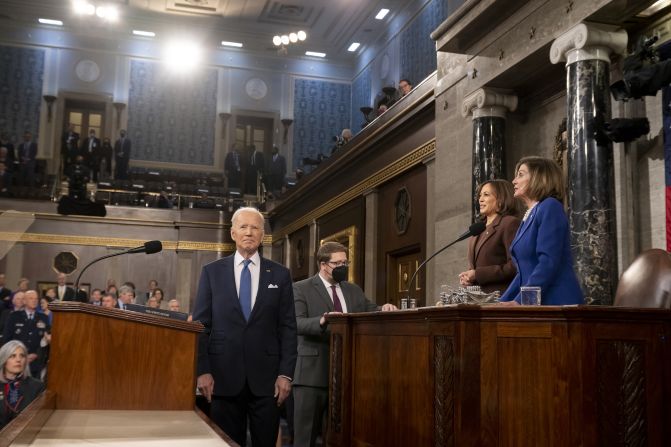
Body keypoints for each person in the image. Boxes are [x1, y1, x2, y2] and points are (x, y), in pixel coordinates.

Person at [192, 207, 297, 446]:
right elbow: (201, 326)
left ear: (262, 235)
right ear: (232, 233)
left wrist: (285, 374)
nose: (249, 232)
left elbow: (288, 328)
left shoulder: (280, 275)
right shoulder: (211, 272)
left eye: (255, 227)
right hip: (222, 379)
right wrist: (202, 370)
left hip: (268, 381)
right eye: (243, 227)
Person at [292, 241, 397, 446]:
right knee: (305, 439)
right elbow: (296, 323)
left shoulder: (353, 289)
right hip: (312, 375)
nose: (343, 267)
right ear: (323, 265)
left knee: (338, 438)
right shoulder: (301, 288)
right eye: (337, 263)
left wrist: (383, 307)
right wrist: (322, 320)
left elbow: (369, 309)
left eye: (345, 262)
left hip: (347, 376)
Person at [499, 156, 584, 305]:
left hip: (557, 301)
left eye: (520, 174)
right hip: (539, 303)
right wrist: (500, 302)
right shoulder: (530, 214)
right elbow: (523, 274)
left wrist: (521, 302)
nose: (514, 181)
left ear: (539, 178)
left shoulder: (550, 207)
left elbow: (548, 261)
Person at [458, 179, 521, 293]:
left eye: (486, 195)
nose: (480, 200)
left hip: (500, 298)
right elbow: (476, 267)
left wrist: (478, 274)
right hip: (478, 300)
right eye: (480, 195)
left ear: (501, 199)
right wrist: (468, 278)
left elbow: (515, 265)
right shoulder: (477, 230)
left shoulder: (509, 224)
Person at [2, 290, 50, 377]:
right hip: (16, 361)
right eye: (31, 298)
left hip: (35, 362)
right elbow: (7, 339)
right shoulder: (14, 316)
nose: (34, 300)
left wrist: (36, 354)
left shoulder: (44, 318)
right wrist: (22, 356)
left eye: (36, 299)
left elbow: (45, 341)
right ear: (24, 301)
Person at [0, 341, 45, 430]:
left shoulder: (37, 387)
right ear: (4, 360)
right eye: (13, 356)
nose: (18, 360)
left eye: (22, 356)